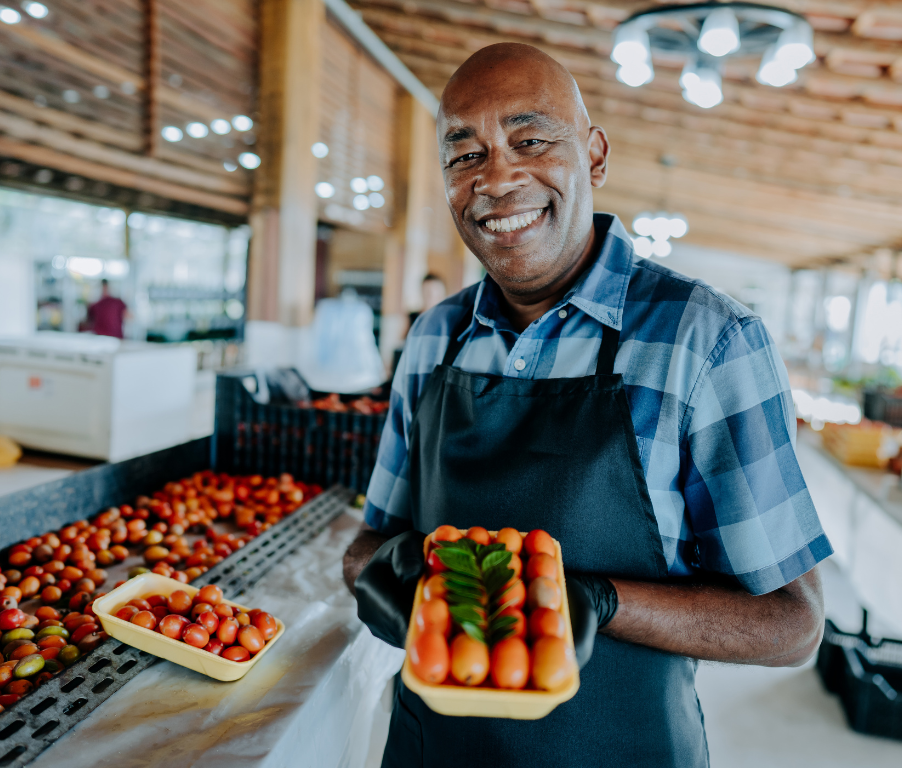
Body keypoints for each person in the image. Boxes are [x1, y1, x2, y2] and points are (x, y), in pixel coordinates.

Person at [344, 43, 830, 768]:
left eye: (531, 140)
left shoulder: (705, 342)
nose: (496, 180)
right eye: (464, 154)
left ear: (595, 156)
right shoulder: (434, 339)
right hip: (432, 748)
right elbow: (367, 544)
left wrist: (598, 602)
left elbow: (792, 625)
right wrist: (382, 575)